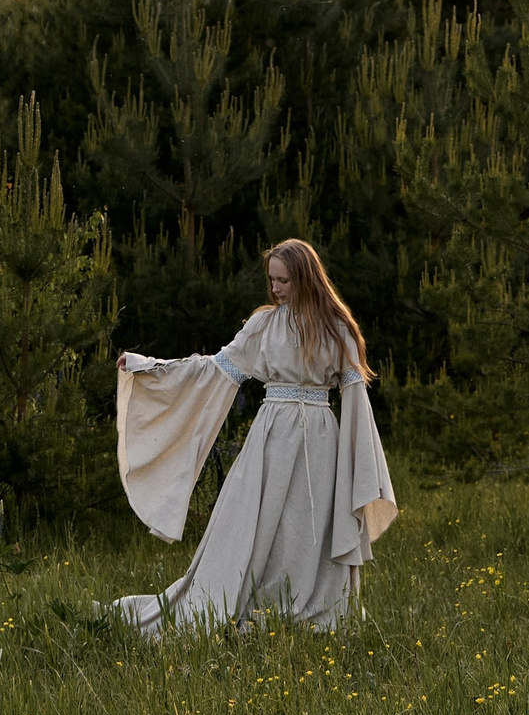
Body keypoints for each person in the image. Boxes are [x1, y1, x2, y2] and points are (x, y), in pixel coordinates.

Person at [109, 240, 397, 636]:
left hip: (319, 440)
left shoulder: (338, 327)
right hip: (272, 436)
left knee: (310, 525)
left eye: (285, 281)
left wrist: (358, 468)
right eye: (272, 280)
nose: (276, 289)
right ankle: (251, 601)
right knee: (257, 525)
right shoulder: (263, 325)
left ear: (306, 279)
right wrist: (150, 367)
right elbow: (213, 369)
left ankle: (311, 602)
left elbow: (356, 398)